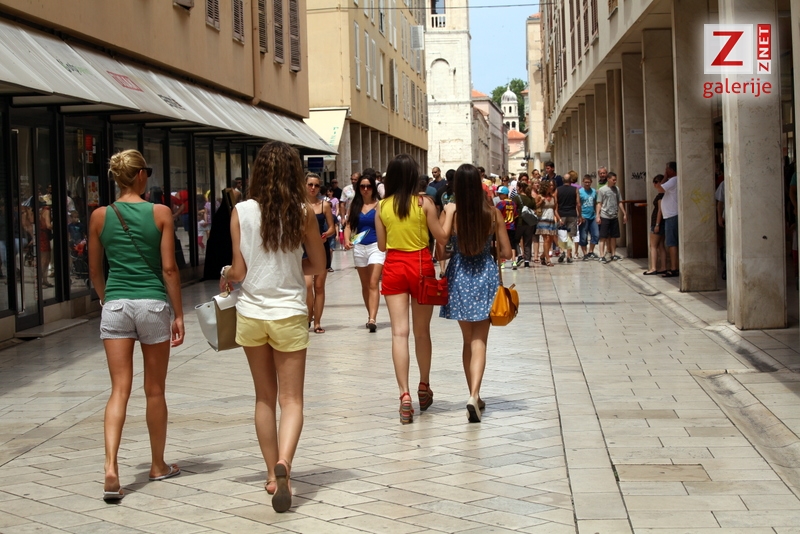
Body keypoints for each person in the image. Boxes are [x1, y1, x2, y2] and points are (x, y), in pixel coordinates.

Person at [220, 141, 326, 513]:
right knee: (292, 400)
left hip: (252, 313)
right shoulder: (303, 211)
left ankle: (270, 472)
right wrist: (293, 271)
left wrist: (227, 273)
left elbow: (239, 271)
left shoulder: (241, 211)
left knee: (264, 398)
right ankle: (286, 463)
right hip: (289, 313)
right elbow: (318, 264)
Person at [88, 149, 185, 503]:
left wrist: (107, 299)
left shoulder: (100, 216)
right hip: (152, 304)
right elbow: (169, 268)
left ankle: (111, 466)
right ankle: (157, 464)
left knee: (119, 390)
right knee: (154, 390)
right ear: (141, 175)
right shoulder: (160, 213)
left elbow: (95, 270)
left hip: (116, 304)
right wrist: (178, 314)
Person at [375, 154, 450, 424]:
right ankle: (423, 386)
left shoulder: (382, 206)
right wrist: (449, 213)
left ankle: (404, 394)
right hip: (420, 266)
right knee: (421, 332)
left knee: (399, 333)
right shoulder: (424, 203)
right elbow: (442, 237)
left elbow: (381, 245)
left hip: (394, 267)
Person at [439, 164, 511, 422]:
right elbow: (507, 252)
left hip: (459, 276)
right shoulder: (492, 214)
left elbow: (440, 249)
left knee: (467, 340)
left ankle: (473, 394)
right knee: (480, 340)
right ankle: (474, 395)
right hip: (485, 276)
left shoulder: (451, 212)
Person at [344, 172, 385, 332]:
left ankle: (372, 318)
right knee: (365, 284)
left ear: (373, 188)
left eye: (368, 186)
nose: (366, 189)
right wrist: (347, 239)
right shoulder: (355, 206)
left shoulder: (380, 205)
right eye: (362, 186)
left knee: (374, 283)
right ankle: (370, 314)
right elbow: (348, 225)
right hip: (359, 247)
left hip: (376, 246)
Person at [305, 173, 336, 332]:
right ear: (304, 185)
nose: (313, 188)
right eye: (310, 184)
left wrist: (326, 235)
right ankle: (308, 316)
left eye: (316, 185)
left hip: (320, 248)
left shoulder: (324, 205)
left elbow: (332, 228)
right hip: (303, 249)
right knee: (307, 285)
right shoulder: (298, 205)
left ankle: (317, 322)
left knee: (319, 286)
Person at [596, 172, 627, 263]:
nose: (615, 181)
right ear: (608, 179)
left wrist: (624, 213)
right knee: (603, 236)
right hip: (605, 216)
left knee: (614, 236)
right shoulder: (602, 190)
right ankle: (602, 255)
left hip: (614, 216)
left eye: (615, 180)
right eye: (613, 180)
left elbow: (620, 202)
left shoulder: (617, 189)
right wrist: (598, 215)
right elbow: (599, 203)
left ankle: (613, 254)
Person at [656, 161, 679, 277]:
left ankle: (674, 268)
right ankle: (674, 267)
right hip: (671, 215)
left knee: (671, 243)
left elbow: (660, 188)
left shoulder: (673, 180)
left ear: (671, 170)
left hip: (672, 215)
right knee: (671, 242)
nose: (665, 171)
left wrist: (665, 177)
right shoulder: (674, 180)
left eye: (667, 169)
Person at [644, 174, 668, 276]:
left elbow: (660, 211)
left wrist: (657, 224)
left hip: (657, 223)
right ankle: (663, 267)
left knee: (653, 246)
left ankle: (653, 267)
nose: (654, 184)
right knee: (661, 245)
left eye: (656, 182)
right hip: (662, 223)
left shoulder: (661, 196)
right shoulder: (664, 195)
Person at [554, 173, 581, 263]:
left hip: (561, 214)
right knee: (570, 236)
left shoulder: (558, 190)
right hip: (572, 214)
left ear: (563, 180)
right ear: (571, 181)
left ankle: (562, 251)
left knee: (562, 235)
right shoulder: (575, 189)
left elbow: (556, 204)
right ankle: (569, 255)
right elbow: (578, 204)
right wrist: (580, 215)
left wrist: (557, 216)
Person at [512, 182, 537, 267]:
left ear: (520, 188)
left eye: (517, 187)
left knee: (515, 240)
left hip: (519, 222)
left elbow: (513, 209)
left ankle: (519, 255)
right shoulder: (531, 199)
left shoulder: (516, 198)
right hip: (530, 223)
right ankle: (527, 261)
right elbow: (535, 210)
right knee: (527, 242)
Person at [536, 180, 559, 266]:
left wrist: (558, 218)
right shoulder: (539, 196)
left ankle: (543, 256)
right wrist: (540, 202)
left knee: (551, 240)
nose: (551, 187)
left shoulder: (553, 197)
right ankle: (548, 259)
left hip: (551, 220)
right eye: (549, 186)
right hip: (543, 220)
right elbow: (535, 207)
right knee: (547, 239)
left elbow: (555, 209)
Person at [495, 186, 518, 269]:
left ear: (505, 194)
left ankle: (502, 262)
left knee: (501, 245)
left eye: (500, 194)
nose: (499, 195)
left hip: (503, 227)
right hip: (512, 226)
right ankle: (514, 262)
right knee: (512, 245)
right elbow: (516, 215)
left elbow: (496, 213)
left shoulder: (501, 204)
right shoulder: (513, 204)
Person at [578, 175, 599, 260]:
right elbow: (577, 204)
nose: (587, 184)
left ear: (591, 182)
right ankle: (585, 253)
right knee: (583, 236)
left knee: (596, 235)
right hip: (584, 216)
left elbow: (596, 203)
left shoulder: (593, 191)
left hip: (592, 216)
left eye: (589, 182)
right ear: (583, 182)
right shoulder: (580, 192)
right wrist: (579, 216)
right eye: (586, 182)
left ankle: (591, 251)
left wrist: (597, 214)